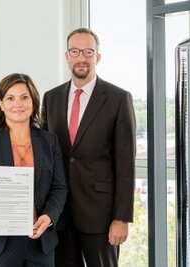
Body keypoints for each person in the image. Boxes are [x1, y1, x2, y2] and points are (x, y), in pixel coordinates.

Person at [41, 28, 136, 267]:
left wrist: (121, 217)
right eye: (75, 51)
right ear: (67, 56)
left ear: (98, 57)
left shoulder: (118, 98)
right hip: (59, 214)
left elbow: (125, 163)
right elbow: (44, 155)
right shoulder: (50, 98)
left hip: (101, 216)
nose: (81, 57)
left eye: (88, 51)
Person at [0, 73, 67, 266]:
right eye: (10, 98)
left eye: (24, 97)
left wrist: (49, 217)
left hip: (39, 244)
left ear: (34, 102)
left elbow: (59, 187)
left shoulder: (49, 141)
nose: (17, 104)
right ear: (1, 104)